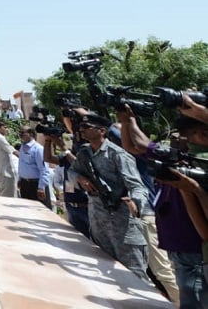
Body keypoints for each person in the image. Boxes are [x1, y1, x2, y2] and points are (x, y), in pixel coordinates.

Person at [117, 101, 207, 307]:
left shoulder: (201, 165)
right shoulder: (170, 157)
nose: (175, 138)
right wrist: (127, 120)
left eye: (182, 134)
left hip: (195, 249)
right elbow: (134, 145)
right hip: (176, 245)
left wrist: (190, 188)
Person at [70, 112, 149, 282]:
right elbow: (72, 171)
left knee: (135, 276)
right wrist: (79, 179)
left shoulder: (117, 155)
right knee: (106, 272)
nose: (81, 130)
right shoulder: (84, 153)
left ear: (102, 131)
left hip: (122, 223)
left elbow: (137, 186)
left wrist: (135, 202)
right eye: (81, 127)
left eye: (87, 127)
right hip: (99, 223)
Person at [43, 133, 90, 239]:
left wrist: (63, 147)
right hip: (71, 206)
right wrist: (48, 141)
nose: (75, 143)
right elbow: (48, 158)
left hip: (86, 207)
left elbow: (78, 165)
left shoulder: (87, 155)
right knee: (79, 241)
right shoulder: (67, 156)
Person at [17, 125, 52, 209]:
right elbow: (22, 164)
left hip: (36, 185)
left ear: (31, 134)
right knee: (26, 210)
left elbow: (44, 169)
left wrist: (41, 187)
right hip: (25, 184)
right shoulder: (22, 147)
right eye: (19, 133)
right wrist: (20, 179)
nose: (20, 135)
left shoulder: (38, 149)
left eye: (23, 133)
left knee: (40, 210)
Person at [0, 121, 18, 198]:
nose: (7, 129)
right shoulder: (0, 138)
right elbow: (12, 151)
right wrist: (26, 157)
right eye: (5, 127)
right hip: (7, 173)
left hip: (1, 171)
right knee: (9, 197)